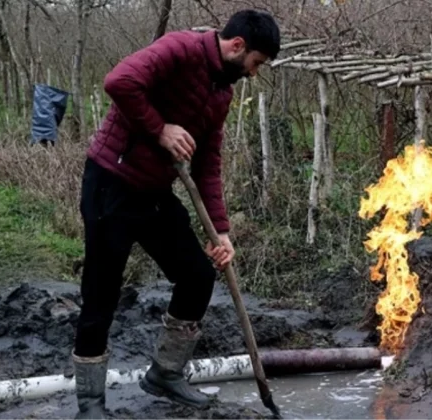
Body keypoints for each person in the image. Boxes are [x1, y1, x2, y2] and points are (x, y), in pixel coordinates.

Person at [71, 10, 280, 419]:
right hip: (111, 183)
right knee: (101, 293)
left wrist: (220, 231)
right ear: (238, 46)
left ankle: (165, 373)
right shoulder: (181, 49)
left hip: (152, 192)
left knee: (198, 274)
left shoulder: (222, 91)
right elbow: (119, 82)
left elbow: (208, 161)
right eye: (256, 63)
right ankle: (90, 405)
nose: (254, 73)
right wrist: (160, 128)